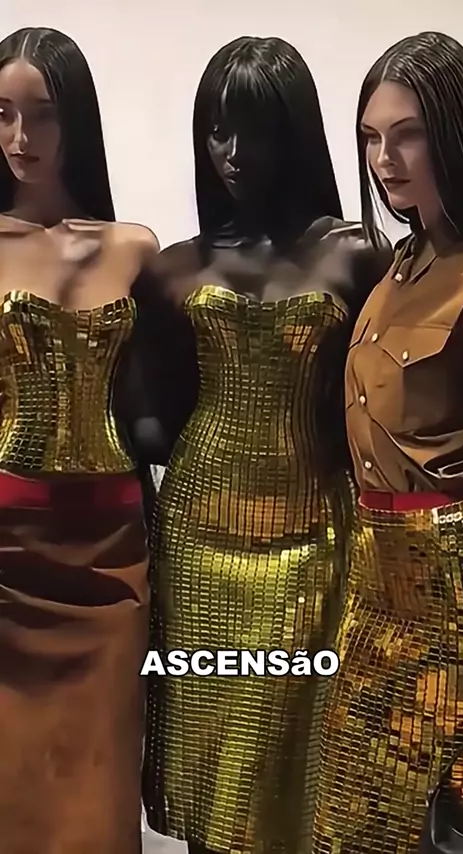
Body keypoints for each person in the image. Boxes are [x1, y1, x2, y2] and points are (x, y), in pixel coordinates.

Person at [141, 36, 392, 854]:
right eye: (217, 129)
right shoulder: (174, 267)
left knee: (289, 770)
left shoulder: (357, 255)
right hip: (196, 545)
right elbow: (155, 414)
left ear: (296, 130)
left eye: (255, 128)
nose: (234, 152)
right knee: (210, 770)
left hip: (310, 543)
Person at [312, 30, 463, 854]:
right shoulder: (400, 265)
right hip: (376, 583)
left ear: (456, 130)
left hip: (458, 589)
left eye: (407, 134)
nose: (385, 160)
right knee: (351, 826)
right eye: (372, 137)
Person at [0, 26, 166, 854]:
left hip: (110, 555)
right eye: (2, 114)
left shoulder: (132, 247)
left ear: (78, 120)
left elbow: (160, 402)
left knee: (100, 792)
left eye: (43, 114)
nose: (21, 138)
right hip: (7, 552)